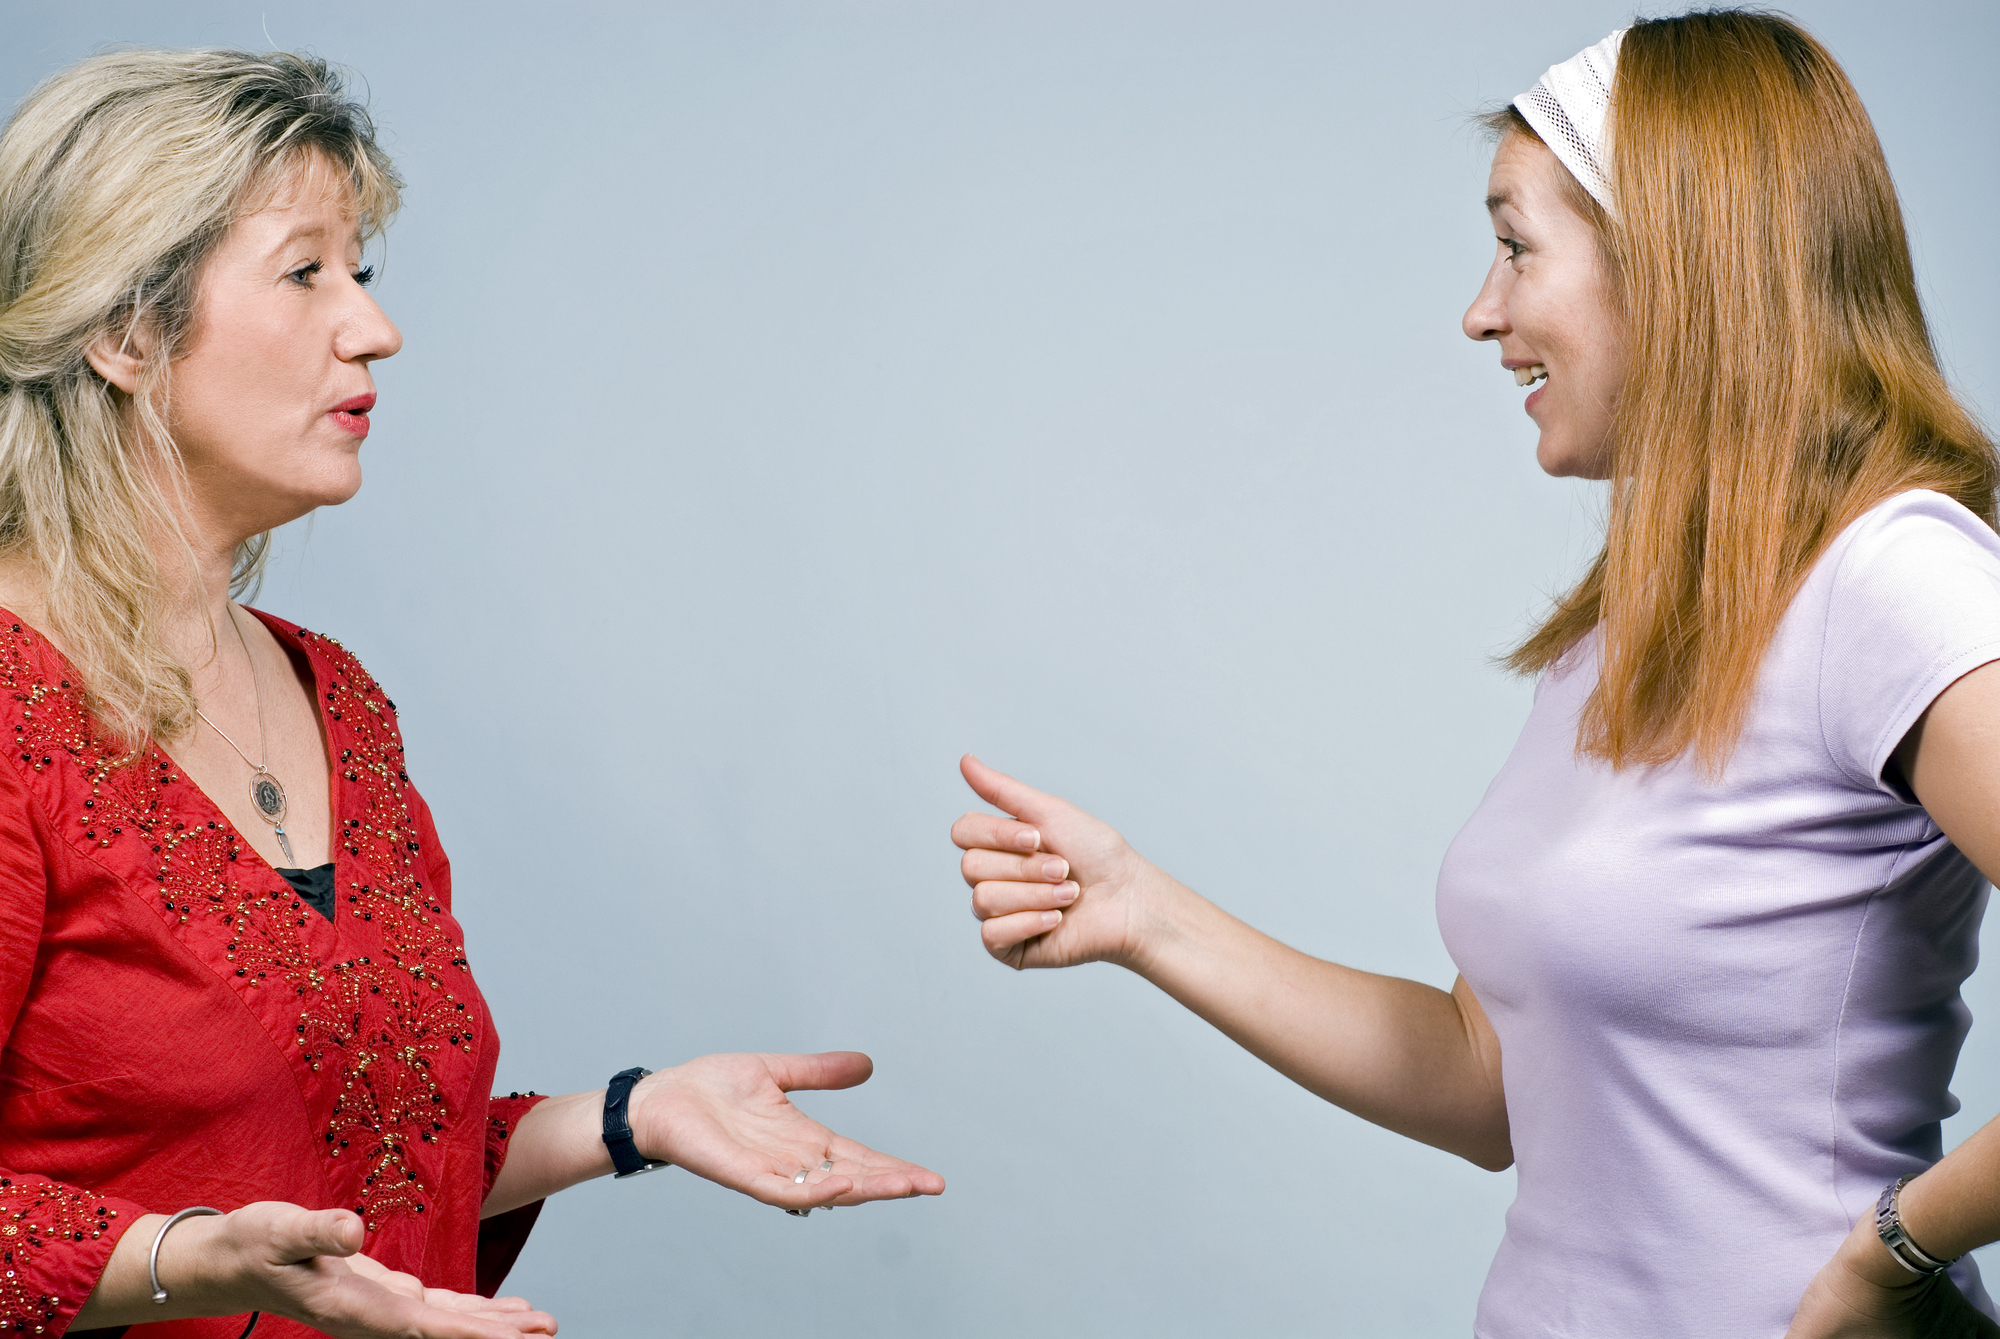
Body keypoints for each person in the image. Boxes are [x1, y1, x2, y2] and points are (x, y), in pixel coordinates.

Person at [952, 11, 2000, 1337]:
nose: (1479, 311)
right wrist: (1145, 915)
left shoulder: (1893, 579)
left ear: (1677, 259)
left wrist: (1890, 1251)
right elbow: (1496, 1083)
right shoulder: (1620, 632)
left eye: (1516, 245)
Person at [0, 48, 942, 1339]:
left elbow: (364, 1159)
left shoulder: (337, 697)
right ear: (120, 328)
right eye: (304, 272)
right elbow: (227, 1224)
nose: (374, 327)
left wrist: (624, 1119)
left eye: (363, 274)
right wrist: (183, 1258)